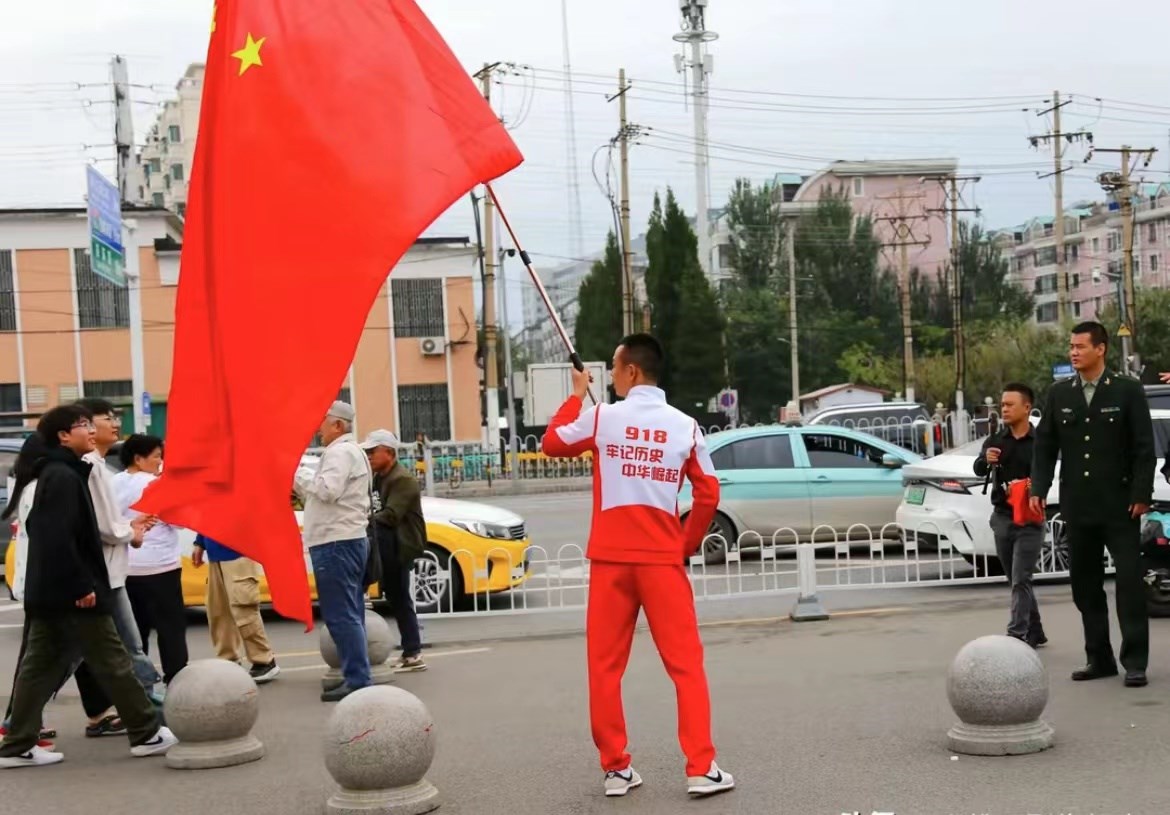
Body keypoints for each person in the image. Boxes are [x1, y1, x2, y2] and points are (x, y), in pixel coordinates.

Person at [541, 333, 733, 798]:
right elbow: (708, 491)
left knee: (604, 668)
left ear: (631, 372)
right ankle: (700, 768)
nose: (608, 375)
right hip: (661, 562)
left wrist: (573, 397)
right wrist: (684, 546)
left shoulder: (602, 417)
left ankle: (616, 768)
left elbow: (551, 443)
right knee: (686, 666)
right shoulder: (686, 426)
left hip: (610, 561)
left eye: (613, 367)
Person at [0, 405, 176, 769]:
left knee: (38, 666)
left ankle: (17, 743)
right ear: (64, 436)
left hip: (50, 591)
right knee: (115, 660)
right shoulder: (63, 476)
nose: (91, 430)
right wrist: (82, 585)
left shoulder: (60, 472)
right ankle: (146, 732)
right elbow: (60, 539)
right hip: (74, 591)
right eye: (83, 425)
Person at [1031, 321, 1156, 688]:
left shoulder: (1127, 391)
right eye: (1071, 346)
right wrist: (1038, 487)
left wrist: (1140, 494)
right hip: (1078, 505)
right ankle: (1098, 657)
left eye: (1080, 346)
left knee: (1130, 584)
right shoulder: (1059, 394)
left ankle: (1135, 661)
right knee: (1085, 586)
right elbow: (1045, 447)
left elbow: (1143, 449)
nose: (1073, 352)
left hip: (1120, 506)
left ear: (1100, 349)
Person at [75, 398, 164, 707]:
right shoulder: (89, 468)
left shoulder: (100, 468)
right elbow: (102, 526)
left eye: (115, 417)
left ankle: (146, 707)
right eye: (105, 418)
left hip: (110, 573)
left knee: (87, 651)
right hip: (101, 576)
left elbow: (108, 523)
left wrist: (130, 526)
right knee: (127, 646)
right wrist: (129, 531)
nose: (114, 423)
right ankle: (151, 708)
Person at [295, 401, 373, 702]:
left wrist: (294, 472)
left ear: (338, 425)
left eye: (323, 422)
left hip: (336, 542)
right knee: (350, 613)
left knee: (342, 616)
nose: (318, 428)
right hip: (344, 540)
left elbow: (327, 491)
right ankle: (356, 675)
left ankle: (357, 680)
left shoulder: (341, 452)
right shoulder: (349, 452)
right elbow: (323, 493)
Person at [973, 383, 1047, 648]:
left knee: (1021, 578)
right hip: (1003, 517)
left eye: (1010, 404)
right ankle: (1035, 630)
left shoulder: (1040, 442)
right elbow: (978, 469)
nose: (1004, 409)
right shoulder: (995, 441)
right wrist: (985, 460)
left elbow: (1048, 473)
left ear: (1026, 407)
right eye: (1002, 404)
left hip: (1030, 518)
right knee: (1016, 579)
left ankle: (1016, 634)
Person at [113, 434, 189, 685]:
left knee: (136, 631)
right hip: (161, 566)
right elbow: (177, 522)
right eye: (156, 456)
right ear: (138, 458)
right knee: (171, 629)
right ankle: (176, 679)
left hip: (127, 568)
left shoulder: (114, 483)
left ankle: (139, 683)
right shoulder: (156, 484)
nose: (160, 462)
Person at [362, 429, 426, 672]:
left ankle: (413, 653)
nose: (368, 456)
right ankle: (410, 651)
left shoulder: (403, 479)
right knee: (395, 598)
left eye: (372, 451)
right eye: (366, 452)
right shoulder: (379, 477)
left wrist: (362, 519)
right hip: (386, 545)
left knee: (400, 599)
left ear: (388, 452)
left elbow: (390, 515)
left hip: (401, 546)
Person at [191, 533, 280, 683]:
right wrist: (200, 542)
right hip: (215, 555)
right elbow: (205, 512)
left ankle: (264, 661)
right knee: (218, 611)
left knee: (244, 610)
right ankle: (228, 661)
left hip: (240, 553)